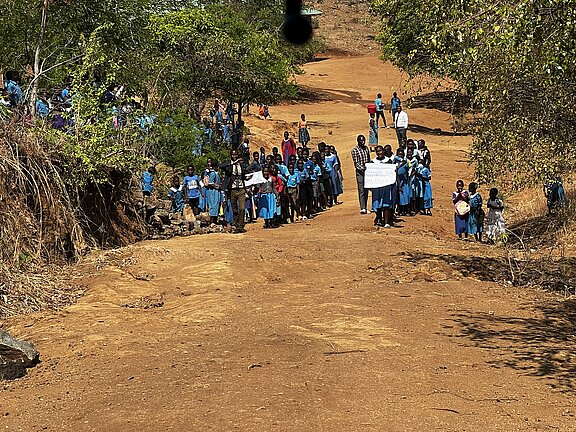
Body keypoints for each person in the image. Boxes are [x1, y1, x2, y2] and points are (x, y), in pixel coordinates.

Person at [219, 149, 253, 233]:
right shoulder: (229, 164)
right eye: (233, 155)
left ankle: (240, 226)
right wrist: (232, 163)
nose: (235, 156)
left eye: (236, 154)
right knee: (235, 209)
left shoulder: (241, 165)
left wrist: (247, 177)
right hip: (232, 189)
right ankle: (236, 224)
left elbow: (243, 175)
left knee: (242, 208)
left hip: (241, 189)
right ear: (231, 155)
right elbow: (220, 166)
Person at [370, 145, 396, 227]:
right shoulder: (372, 162)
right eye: (377, 151)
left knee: (386, 203)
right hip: (377, 187)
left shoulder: (389, 161)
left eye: (380, 151)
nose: (379, 153)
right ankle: (379, 219)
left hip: (386, 187)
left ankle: (386, 222)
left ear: (383, 151)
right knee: (377, 203)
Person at [351, 135, 371, 214]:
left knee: (366, 189)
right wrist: (363, 169)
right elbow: (356, 163)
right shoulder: (355, 150)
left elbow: (368, 159)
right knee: (361, 189)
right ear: (358, 141)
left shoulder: (366, 148)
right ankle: (362, 207)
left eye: (364, 140)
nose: (363, 142)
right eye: (361, 141)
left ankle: (365, 206)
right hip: (360, 172)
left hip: (367, 171)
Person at [203, 158, 221, 225]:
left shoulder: (215, 173)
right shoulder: (213, 173)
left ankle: (215, 221)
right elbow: (209, 183)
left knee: (216, 205)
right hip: (213, 192)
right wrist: (216, 185)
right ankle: (212, 221)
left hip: (216, 191)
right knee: (213, 205)